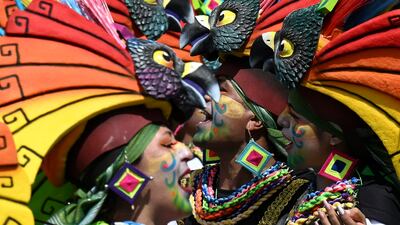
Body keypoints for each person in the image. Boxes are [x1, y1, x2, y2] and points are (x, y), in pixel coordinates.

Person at [182, 63, 312, 225]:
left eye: (221, 89)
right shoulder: (187, 187)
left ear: (255, 120)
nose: (207, 97)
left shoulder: (298, 194)